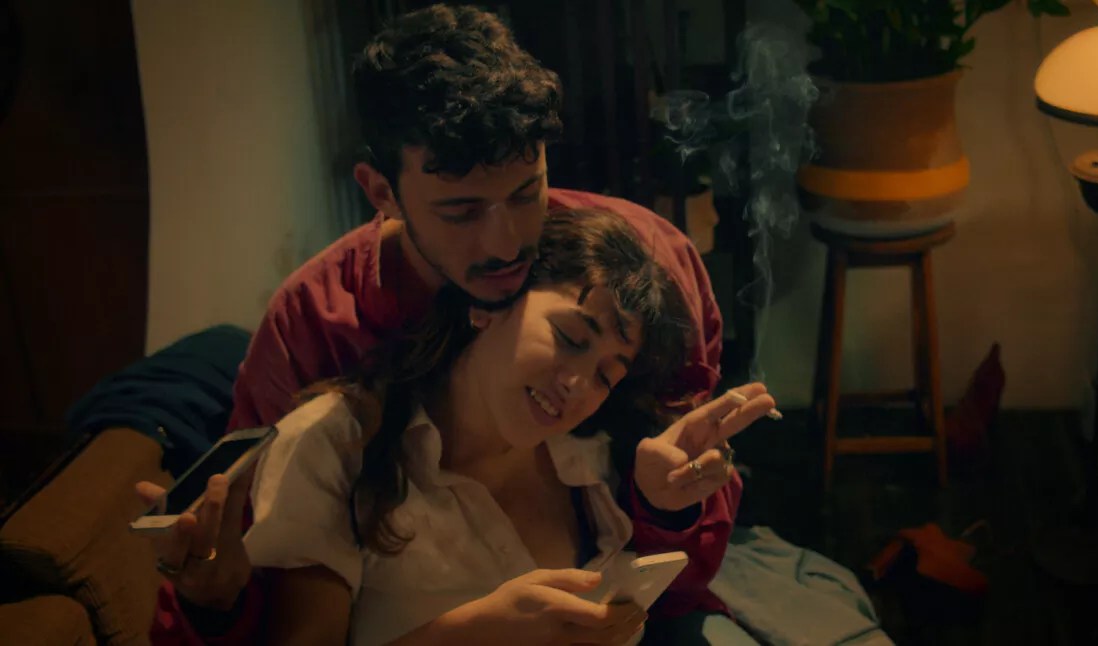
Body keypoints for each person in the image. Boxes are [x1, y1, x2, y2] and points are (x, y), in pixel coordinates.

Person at [137, 4, 749, 643]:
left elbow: (683, 560)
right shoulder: (314, 327)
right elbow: (257, 580)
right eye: (461, 211)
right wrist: (216, 595)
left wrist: (663, 511)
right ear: (382, 193)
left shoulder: (642, 262)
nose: (506, 244)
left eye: (526, 193)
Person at [240, 208, 774, 645]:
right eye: (570, 338)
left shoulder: (590, 456)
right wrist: (474, 632)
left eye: (605, 376)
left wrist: (662, 508)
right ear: (490, 304)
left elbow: (679, 595)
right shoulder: (337, 442)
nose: (576, 385)